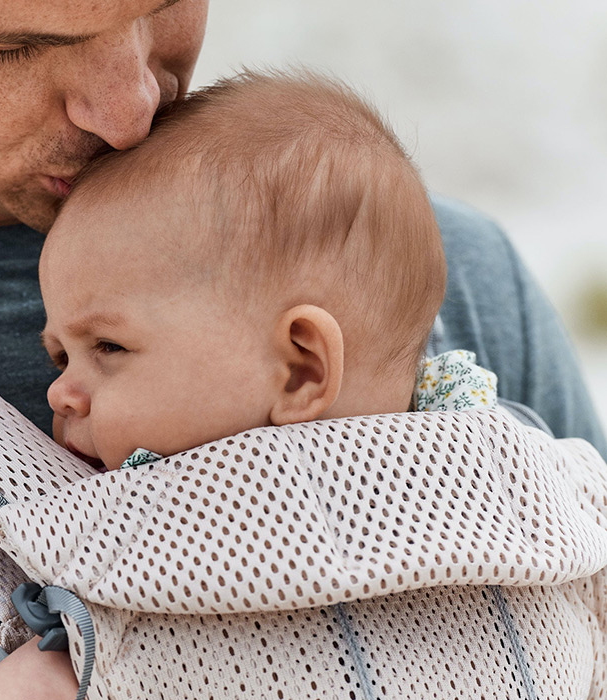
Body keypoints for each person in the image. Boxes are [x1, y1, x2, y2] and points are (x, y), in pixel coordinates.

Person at [0, 1, 603, 698]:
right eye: (11, 45)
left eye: (163, 8)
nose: (129, 111)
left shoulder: (435, 280)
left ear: (308, 361)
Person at [40, 70, 452, 473]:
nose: (59, 394)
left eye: (109, 346)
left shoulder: (487, 472)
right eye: (61, 357)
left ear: (299, 371)